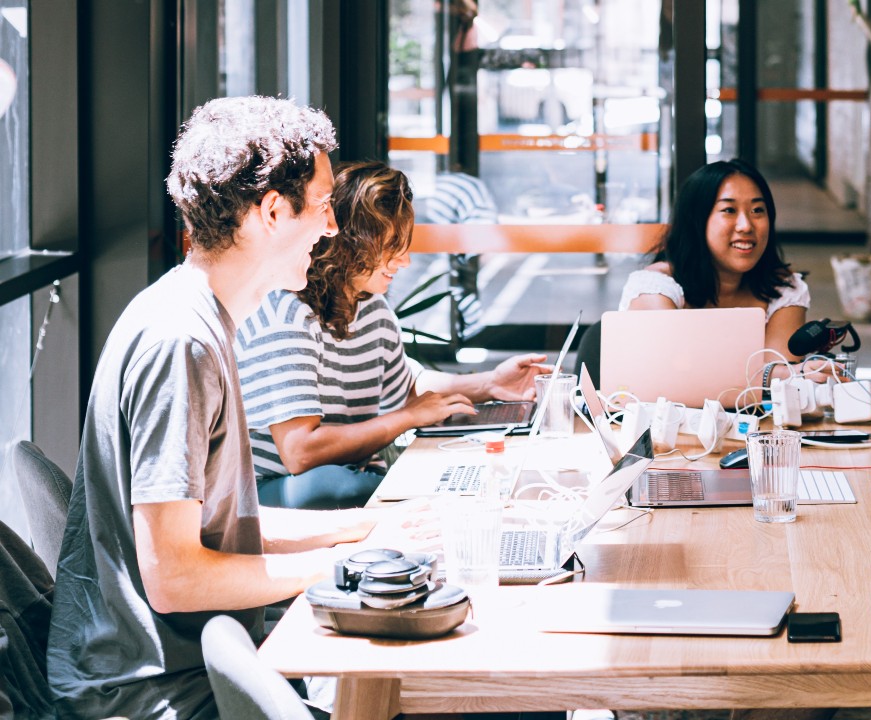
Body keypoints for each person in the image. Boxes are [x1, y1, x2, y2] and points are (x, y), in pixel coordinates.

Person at [45, 97, 394, 720]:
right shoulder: (181, 342)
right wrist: (338, 565)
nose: (332, 228)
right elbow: (175, 577)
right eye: (321, 207)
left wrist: (366, 532)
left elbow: (220, 536)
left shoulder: (197, 317)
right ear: (271, 212)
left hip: (188, 667)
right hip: (159, 693)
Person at [235, 161, 548, 510]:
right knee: (337, 486)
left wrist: (489, 383)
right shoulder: (286, 316)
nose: (405, 261)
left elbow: (410, 384)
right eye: (392, 246)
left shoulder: (372, 309)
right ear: (351, 244)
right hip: (270, 492)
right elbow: (300, 453)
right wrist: (407, 418)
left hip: (344, 475)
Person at [620, 159, 810, 362]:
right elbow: (678, 371)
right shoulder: (655, 288)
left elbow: (781, 373)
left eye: (757, 210)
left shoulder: (783, 289)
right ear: (697, 221)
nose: (746, 226)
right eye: (729, 210)